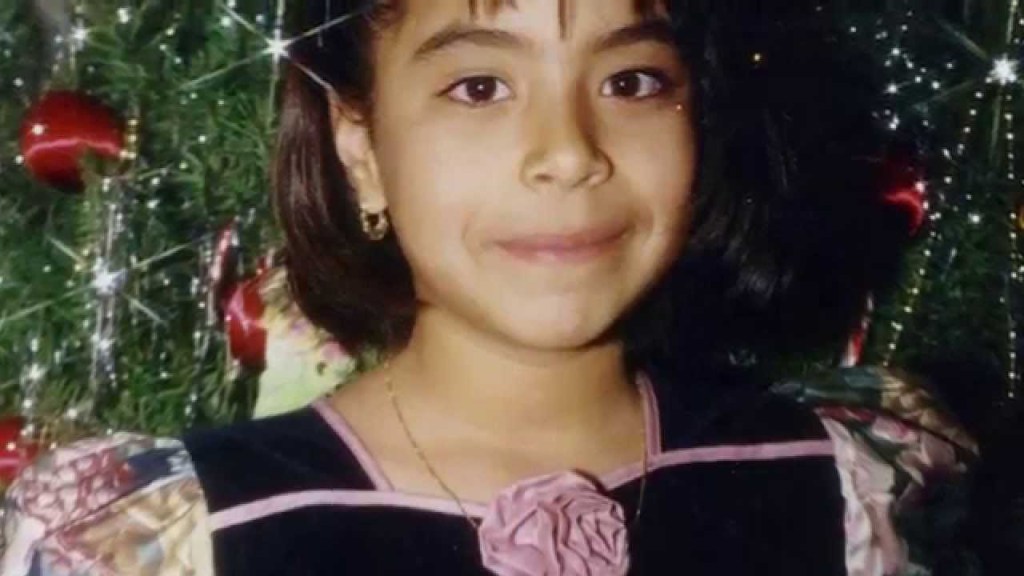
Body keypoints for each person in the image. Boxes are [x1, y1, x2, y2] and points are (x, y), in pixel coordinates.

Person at [0, 1, 978, 574]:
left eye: (631, 81)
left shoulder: (842, 483)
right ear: (360, 149)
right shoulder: (176, 536)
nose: (568, 153)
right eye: (479, 87)